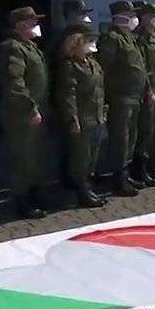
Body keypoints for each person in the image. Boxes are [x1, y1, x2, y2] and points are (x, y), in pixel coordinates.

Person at [0, 6, 51, 218]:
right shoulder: (12, 48)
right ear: (21, 25)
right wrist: (29, 108)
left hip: (36, 111)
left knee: (35, 155)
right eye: (32, 22)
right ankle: (21, 201)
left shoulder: (29, 46)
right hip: (21, 113)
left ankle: (35, 195)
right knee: (23, 158)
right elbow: (15, 83)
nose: (36, 26)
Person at [97, 1, 147, 196]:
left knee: (131, 137)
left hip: (134, 97)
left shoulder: (130, 38)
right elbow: (105, 69)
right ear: (119, 17)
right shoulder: (111, 39)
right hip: (120, 98)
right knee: (121, 139)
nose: (134, 18)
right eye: (130, 14)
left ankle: (126, 174)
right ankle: (118, 179)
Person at [55, 25, 106, 208]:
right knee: (81, 157)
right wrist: (72, 119)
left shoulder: (92, 63)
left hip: (96, 115)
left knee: (92, 155)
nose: (91, 44)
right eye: (87, 40)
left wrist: (104, 111)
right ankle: (82, 191)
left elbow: (100, 88)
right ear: (76, 42)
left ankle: (88, 187)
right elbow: (68, 95)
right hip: (83, 117)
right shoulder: (69, 66)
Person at [132, 3, 155, 185]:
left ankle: (152, 165)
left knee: (154, 130)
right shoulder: (140, 39)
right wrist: (149, 91)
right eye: (153, 15)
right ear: (144, 17)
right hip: (147, 93)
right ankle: (140, 169)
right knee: (145, 131)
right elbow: (143, 69)